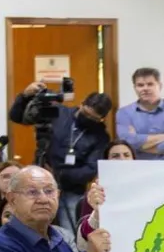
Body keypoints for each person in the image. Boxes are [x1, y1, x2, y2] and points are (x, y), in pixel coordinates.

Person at [10, 84, 113, 231]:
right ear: (82, 103)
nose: (88, 118)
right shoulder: (58, 112)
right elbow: (16, 116)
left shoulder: (100, 136)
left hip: (72, 189)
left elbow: (90, 169)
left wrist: (58, 174)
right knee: (31, 223)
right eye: (86, 113)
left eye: (93, 118)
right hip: (40, 181)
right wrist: (25, 96)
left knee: (69, 229)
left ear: (101, 119)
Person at [116, 68, 164, 161]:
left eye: (150, 84)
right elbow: (127, 142)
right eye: (140, 85)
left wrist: (139, 145)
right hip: (137, 167)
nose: (145, 88)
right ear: (135, 88)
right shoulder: (124, 113)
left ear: (160, 86)